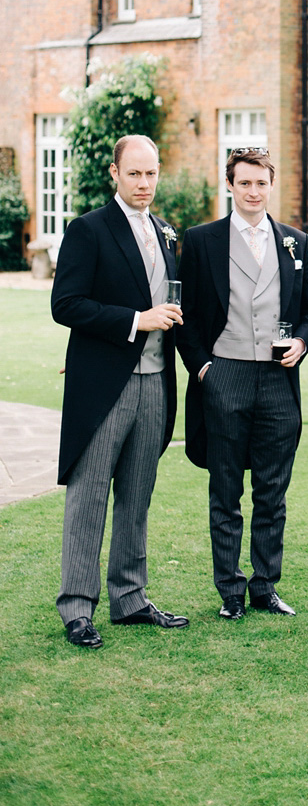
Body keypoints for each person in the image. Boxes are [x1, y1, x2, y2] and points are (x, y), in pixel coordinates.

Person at [51, 134, 187, 648]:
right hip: (105, 384)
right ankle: (77, 609)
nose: (145, 183)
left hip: (156, 383)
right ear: (115, 173)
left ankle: (129, 599)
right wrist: (137, 320)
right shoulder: (88, 230)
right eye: (135, 173)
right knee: (88, 496)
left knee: (137, 495)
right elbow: (66, 304)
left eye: (151, 173)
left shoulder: (168, 233)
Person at [176, 147, 308, 619]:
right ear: (231, 185)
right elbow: (188, 317)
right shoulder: (201, 241)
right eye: (245, 183)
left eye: (261, 183)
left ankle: (265, 585)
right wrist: (203, 369)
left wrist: (301, 343)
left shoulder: (295, 242)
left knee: (272, 490)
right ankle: (230, 591)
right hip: (226, 374)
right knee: (225, 490)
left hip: (279, 379)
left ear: (270, 185)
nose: (253, 192)